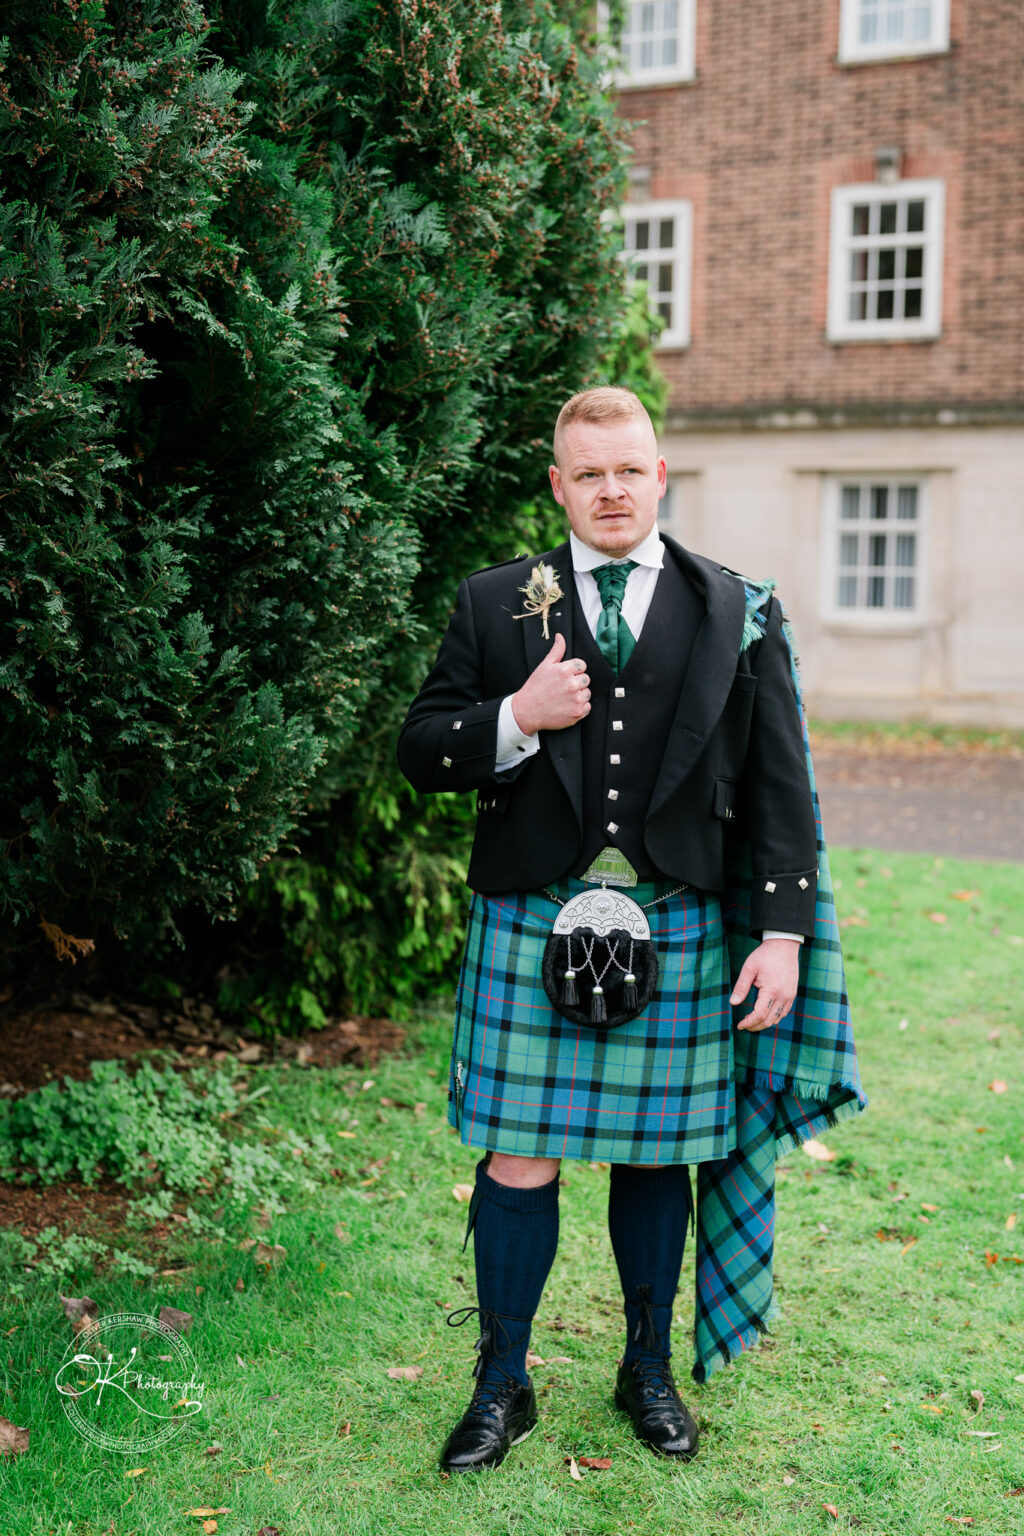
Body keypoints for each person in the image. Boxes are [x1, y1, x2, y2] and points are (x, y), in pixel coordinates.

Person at [398, 386, 862, 1474]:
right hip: (529, 912)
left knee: (660, 1157)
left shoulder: (735, 606)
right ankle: (500, 1383)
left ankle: (644, 1370)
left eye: (628, 468)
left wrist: (782, 932)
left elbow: (777, 781)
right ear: (558, 486)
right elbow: (420, 750)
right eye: (588, 473)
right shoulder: (497, 602)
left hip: (679, 919)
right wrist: (516, 718)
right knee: (518, 1154)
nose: (610, 489)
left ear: (661, 475)